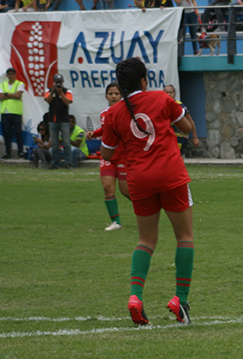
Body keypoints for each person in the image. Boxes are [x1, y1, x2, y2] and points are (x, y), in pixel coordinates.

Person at [101, 57, 196, 326]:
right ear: (144, 80)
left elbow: (106, 153)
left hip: (139, 180)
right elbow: (186, 128)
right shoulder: (161, 98)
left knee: (146, 240)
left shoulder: (113, 113)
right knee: (185, 236)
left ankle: (135, 297)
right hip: (171, 175)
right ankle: (180, 299)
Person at [86, 82, 129, 231]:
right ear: (106, 96)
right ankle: (116, 222)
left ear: (121, 96)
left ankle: (148, 209)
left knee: (126, 191)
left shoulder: (126, 112)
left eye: (116, 93)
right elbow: (105, 130)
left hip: (123, 156)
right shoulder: (104, 113)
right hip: (107, 155)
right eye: (111, 93)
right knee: (107, 187)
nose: (113, 96)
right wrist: (94, 133)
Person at [43, 73, 75, 169]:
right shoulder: (49, 91)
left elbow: (67, 102)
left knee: (66, 143)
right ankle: (55, 163)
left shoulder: (67, 91)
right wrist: (53, 91)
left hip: (64, 120)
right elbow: (48, 100)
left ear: (63, 82)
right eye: (57, 82)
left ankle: (68, 163)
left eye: (60, 82)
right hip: (53, 120)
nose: (58, 84)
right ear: (53, 82)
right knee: (54, 144)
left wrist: (61, 93)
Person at [163, 85, 200, 153]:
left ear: (174, 94)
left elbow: (191, 121)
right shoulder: (161, 105)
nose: (169, 94)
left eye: (171, 92)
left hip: (179, 137)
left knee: (177, 155)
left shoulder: (180, 106)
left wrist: (195, 138)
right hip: (167, 137)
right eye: (166, 92)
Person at [0, 67, 25, 159]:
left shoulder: (20, 84)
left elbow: (18, 95)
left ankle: (21, 152)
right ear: (7, 75)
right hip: (5, 112)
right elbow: (1, 97)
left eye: (12, 74)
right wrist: (11, 95)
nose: (11, 75)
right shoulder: (3, 84)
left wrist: (7, 94)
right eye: (9, 74)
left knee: (18, 132)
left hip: (16, 112)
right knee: (7, 133)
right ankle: (7, 152)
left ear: (15, 75)